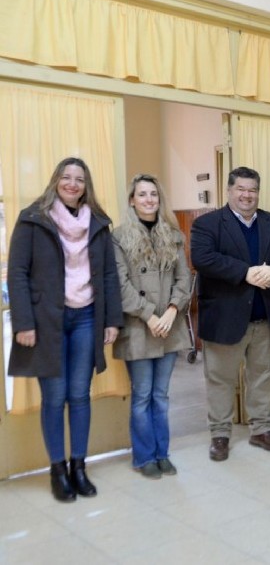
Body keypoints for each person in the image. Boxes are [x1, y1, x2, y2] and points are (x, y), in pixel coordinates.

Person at [7, 157, 123, 502]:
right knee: (54, 398)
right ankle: (57, 469)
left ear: (87, 186)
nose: (73, 184)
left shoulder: (99, 223)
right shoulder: (33, 219)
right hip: (47, 322)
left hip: (87, 318)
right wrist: (24, 323)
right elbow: (17, 273)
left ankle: (79, 466)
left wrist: (112, 320)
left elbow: (108, 276)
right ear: (56, 180)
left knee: (80, 396)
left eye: (80, 179)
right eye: (67, 177)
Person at [191, 166, 270, 462]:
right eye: (240, 189)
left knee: (261, 377)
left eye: (252, 190)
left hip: (265, 317)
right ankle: (220, 434)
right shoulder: (209, 224)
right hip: (225, 319)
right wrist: (246, 273)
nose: (247, 195)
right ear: (229, 191)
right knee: (220, 380)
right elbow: (202, 259)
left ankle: (261, 429)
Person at [113, 174, 192, 479]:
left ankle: (162, 453)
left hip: (169, 326)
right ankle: (144, 456)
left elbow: (184, 279)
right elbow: (121, 286)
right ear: (132, 200)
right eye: (142, 194)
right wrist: (149, 315)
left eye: (153, 195)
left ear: (160, 200)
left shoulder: (174, 236)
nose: (148, 200)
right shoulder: (118, 238)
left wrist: (172, 310)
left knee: (161, 395)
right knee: (143, 395)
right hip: (139, 327)